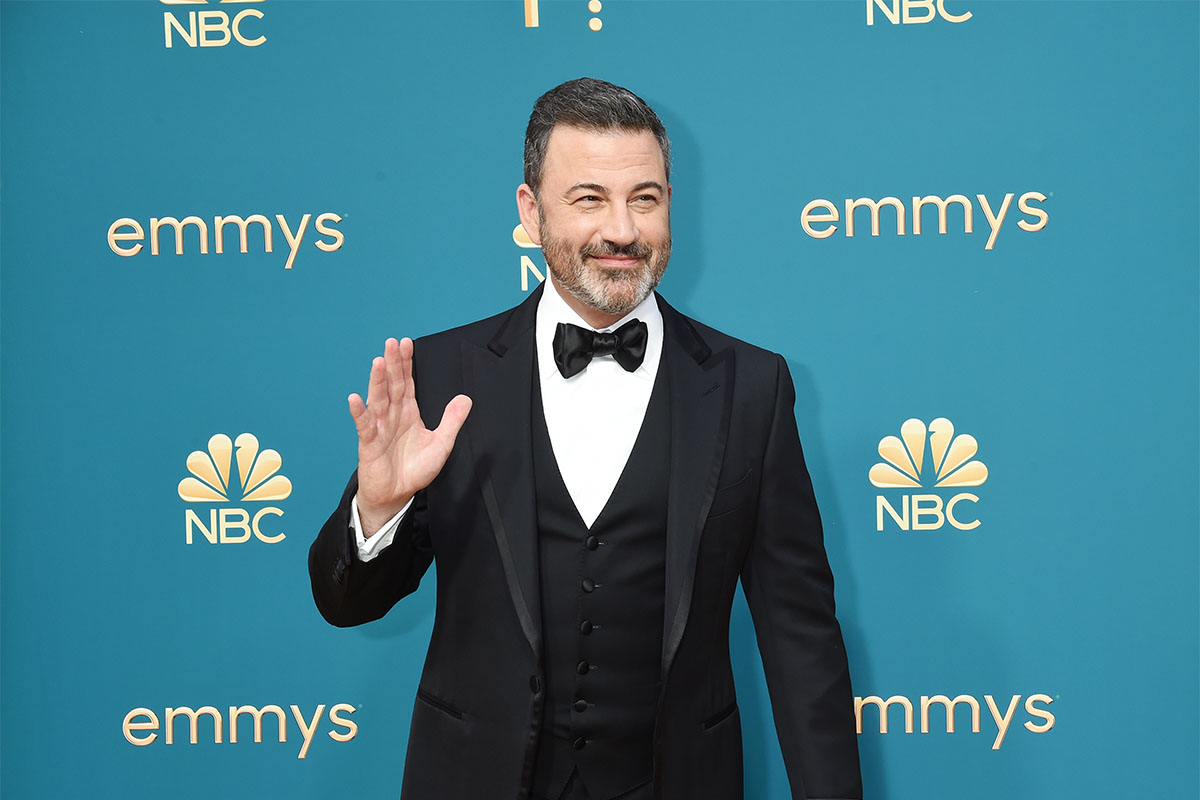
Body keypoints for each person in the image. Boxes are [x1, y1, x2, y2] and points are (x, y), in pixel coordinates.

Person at [309, 77, 861, 800]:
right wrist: (377, 510)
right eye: (589, 199)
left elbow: (800, 635)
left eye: (645, 199)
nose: (623, 231)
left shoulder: (751, 387)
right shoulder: (442, 375)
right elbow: (346, 603)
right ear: (530, 212)